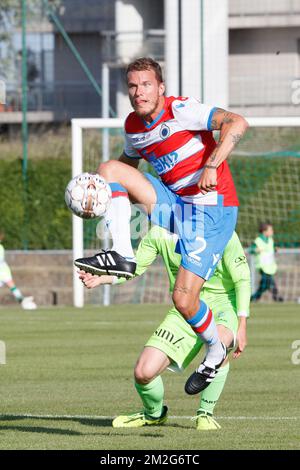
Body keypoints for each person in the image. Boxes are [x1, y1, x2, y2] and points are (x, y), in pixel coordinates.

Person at [75, 57, 249, 393]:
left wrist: (212, 164)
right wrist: (96, 193)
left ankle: (215, 349)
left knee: (183, 300)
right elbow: (126, 166)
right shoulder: (133, 127)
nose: (138, 92)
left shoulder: (181, 110)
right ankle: (121, 252)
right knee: (108, 169)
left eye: (146, 84)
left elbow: (238, 122)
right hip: (175, 203)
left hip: (212, 211)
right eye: (133, 86)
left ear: (161, 88)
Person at [78, 225, 250, 430]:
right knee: (143, 372)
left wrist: (242, 324)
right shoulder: (159, 233)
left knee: (219, 345)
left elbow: (242, 278)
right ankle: (154, 415)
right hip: (184, 307)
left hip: (223, 305)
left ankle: (205, 413)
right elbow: (135, 267)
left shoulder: (221, 231)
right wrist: (103, 278)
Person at [0, 231, 37, 310]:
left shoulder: (0, 248)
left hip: (2, 271)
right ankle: (22, 300)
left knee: (11, 285)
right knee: (12, 286)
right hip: (3, 271)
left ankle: (22, 300)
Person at [249, 222, 283, 302]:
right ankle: (276, 296)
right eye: (270, 230)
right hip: (262, 266)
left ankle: (253, 298)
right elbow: (250, 250)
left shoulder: (271, 240)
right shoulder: (258, 240)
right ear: (264, 231)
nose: (272, 231)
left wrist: (275, 249)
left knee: (265, 285)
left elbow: (271, 248)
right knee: (267, 283)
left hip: (270, 266)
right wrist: (255, 250)